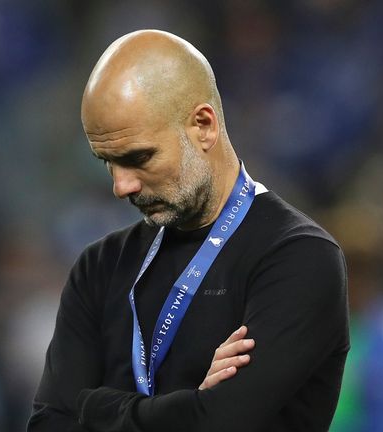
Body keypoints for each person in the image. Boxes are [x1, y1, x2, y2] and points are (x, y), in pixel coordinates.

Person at [28, 29, 349, 432]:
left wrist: (97, 407)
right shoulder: (99, 267)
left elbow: (223, 422)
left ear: (203, 126)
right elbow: (49, 425)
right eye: (107, 161)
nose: (121, 186)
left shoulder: (298, 258)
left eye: (138, 157)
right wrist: (192, 405)